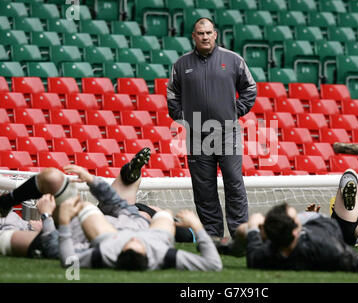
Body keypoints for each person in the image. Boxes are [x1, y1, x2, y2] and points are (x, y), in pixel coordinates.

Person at [0, 148, 194, 259]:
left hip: (69, 223)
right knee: (130, 196)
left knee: (52, 178)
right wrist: (91, 180)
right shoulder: (142, 227)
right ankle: (6, 202)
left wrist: (47, 216)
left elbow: (56, 248)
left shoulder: (101, 251)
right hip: (104, 213)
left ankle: (129, 174)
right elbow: (116, 202)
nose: (134, 241)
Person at [167, 17, 257, 239]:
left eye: (208, 32)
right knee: (203, 189)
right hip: (197, 136)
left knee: (234, 184)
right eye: (200, 33)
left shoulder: (233, 60)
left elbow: (250, 88)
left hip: (228, 133)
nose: (205, 37)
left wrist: (235, 111)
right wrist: (183, 118)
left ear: (215, 34)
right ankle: (212, 236)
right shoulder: (181, 65)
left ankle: (240, 235)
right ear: (194, 37)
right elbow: (172, 95)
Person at [219, 203, 358, 275]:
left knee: (243, 228)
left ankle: (225, 247)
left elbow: (254, 254)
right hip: (324, 222)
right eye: (295, 216)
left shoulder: (265, 255)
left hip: (294, 230)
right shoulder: (325, 248)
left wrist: (255, 228)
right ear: (296, 230)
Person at [57, 193, 222, 271]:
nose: (134, 240)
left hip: (110, 235)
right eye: (138, 245)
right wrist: (198, 228)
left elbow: (68, 261)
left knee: (85, 206)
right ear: (148, 255)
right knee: (165, 213)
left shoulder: (105, 253)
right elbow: (214, 265)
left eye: (129, 244)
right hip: (156, 236)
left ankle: (52, 212)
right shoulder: (164, 256)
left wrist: (64, 222)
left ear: (120, 252)